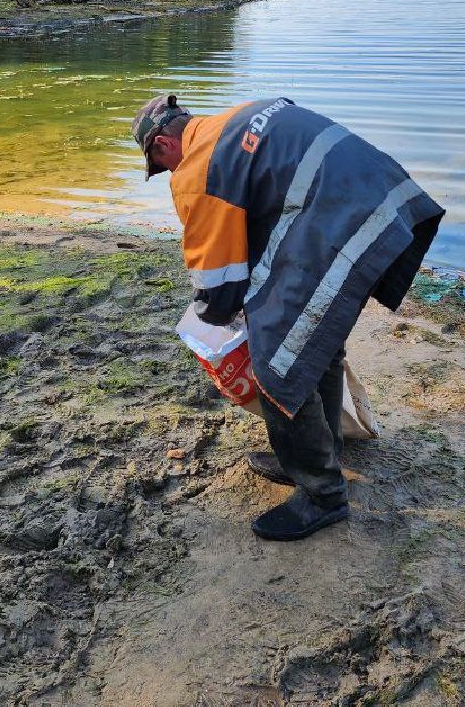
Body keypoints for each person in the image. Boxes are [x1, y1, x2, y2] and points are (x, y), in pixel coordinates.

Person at [132, 93, 444, 541]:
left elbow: (217, 283)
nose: (169, 175)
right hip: (386, 200)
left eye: (163, 167)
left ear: (162, 144)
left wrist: (216, 318)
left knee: (275, 359)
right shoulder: (245, 114)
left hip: (340, 222)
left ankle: (322, 493)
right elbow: (274, 199)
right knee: (317, 341)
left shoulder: (198, 169)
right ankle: (319, 452)